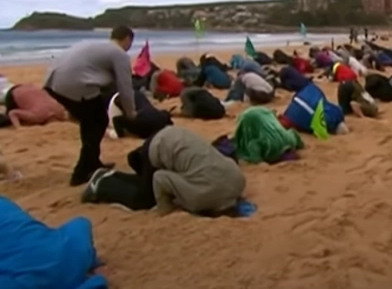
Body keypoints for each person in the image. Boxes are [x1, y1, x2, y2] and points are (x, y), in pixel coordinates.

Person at [44, 26, 137, 186]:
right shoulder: (119, 54)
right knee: (97, 122)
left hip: (52, 83)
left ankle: (93, 162)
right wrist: (131, 112)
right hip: (77, 85)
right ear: (127, 39)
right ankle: (81, 172)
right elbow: (125, 87)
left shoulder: (93, 44)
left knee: (92, 121)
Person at [85, 125, 246, 215]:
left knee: (147, 184)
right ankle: (101, 185)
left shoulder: (239, 181)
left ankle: (113, 175)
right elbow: (160, 177)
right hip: (159, 146)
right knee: (144, 201)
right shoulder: (199, 199)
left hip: (176, 136)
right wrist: (164, 208)